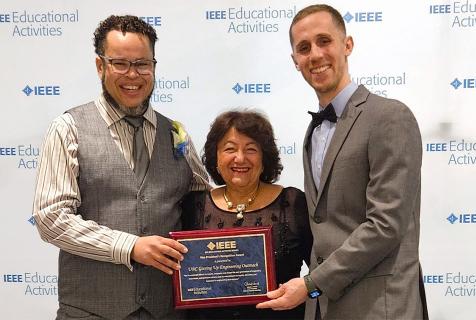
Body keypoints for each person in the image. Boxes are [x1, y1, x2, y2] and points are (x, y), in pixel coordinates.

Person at [257, 4, 429, 320]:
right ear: (295, 61)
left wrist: (311, 284)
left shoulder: (389, 117)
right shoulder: (313, 132)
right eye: (304, 48)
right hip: (325, 307)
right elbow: (326, 226)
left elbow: (385, 226)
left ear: (347, 44)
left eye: (325, 41)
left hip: (381, 307)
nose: (315, 55)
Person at [32, 15, 209, 320]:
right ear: (100, 66)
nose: (133, 75)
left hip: (165, 311)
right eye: (120, 63)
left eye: (142, 64)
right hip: (90, 312)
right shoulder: (68, 129)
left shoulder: (176, 134)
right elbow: (51, 218)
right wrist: (129, 246)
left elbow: (204, 206)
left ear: (153, 66)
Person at [181, 110, 312, 320]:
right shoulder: (194, 205)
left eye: (251, 149)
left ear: (264, 158)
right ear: (216, 157)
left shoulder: (292, 203)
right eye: (230, 149)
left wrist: (309, 290)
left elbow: (322, 275)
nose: (240, 158)